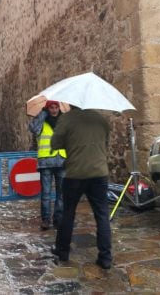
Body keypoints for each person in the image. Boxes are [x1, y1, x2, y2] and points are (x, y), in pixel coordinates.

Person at [50, 106, 112, 270]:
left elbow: (54, 143)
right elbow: (106, 142)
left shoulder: (67, 119)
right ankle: (105, 257)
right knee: (102, 215)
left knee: (68, 212)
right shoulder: (101, 119)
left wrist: (69, 143)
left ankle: (62, 251)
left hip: (75, 174)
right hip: (99, 173)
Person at [28, 101, 66, 231]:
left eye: (56, 107)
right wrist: (43, 113)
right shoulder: (42, 122)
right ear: (47, 108)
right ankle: (46, 219)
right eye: (51, 107)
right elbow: (33, 128)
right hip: (46, 163)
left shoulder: (63, 122)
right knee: (46, 193)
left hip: (62, 161)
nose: (54, 110)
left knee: (61, 194)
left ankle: (58, 219)